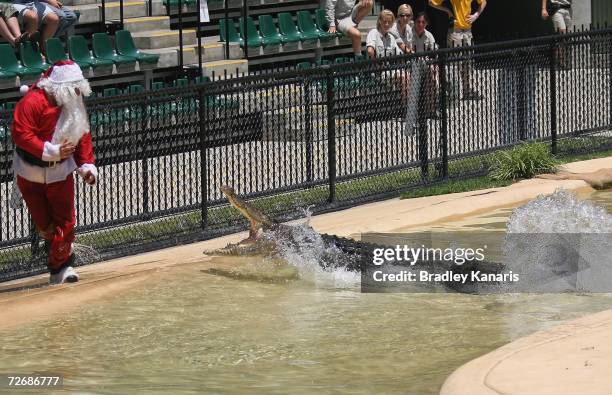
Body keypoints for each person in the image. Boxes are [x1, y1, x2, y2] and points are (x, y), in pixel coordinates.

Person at [11, 60, 97, 285]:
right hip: (30, 174)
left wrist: (86, 167)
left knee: (66, 222)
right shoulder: (32, 101)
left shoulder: (73, 103)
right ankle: (60, 261)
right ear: (60, 86)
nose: (78, 92)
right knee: (46, 227)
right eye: (74, 87)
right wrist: (53, 151)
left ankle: (62, 266)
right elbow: (21, 135)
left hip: (60, 173)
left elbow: (82, 135)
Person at [428, 0, 486, 100]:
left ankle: (466, 90)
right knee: (454, 63)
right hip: (455, 30)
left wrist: (476, 15)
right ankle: (453, 92)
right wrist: (448, 11)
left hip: (467, 30)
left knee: (468, 62)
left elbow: (483, 2)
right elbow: (431, 2)